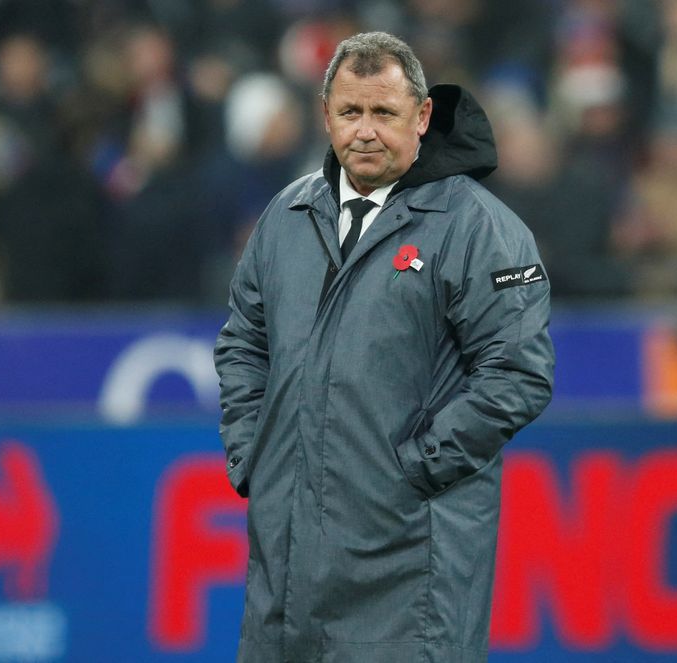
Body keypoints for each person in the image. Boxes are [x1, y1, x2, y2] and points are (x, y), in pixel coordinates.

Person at [214, 31, 555, 663]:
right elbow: (243, 342)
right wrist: (252, 452)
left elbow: (518, 373)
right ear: (326, 116)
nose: (365, 131)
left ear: (422, 117)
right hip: (286, 576)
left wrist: (412, 471)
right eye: (350, 112)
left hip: (410, 572)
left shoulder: (478, 229)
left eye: (384, 113)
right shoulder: (287, 216)